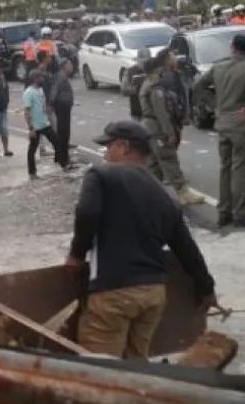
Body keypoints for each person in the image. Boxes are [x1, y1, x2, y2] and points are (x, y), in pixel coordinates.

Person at [66, 121, 217, 359]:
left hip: (113, 292)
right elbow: (186, 248)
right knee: (135, 367)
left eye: (108, 146)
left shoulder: (101, 174)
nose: (105, 153)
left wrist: (76, 254)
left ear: (124, 146)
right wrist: (206, 287)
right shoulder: (165, 193)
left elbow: (87, 213)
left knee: (101, 371)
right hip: (153, 294)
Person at [193, 34, 245, 227]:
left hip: (222, 121)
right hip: (240, 125)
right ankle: (240, 213)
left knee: (225, 168)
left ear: (233, 48)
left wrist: (214, 104)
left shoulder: (218, 67)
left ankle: (224, 212)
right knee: (240, 169)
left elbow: (197, 85)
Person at [138, 50, 201, 205]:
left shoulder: (147, 84)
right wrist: (169, 133)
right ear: (156, 70)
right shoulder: (155, 88)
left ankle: (151, 194)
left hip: (149, 127)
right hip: (157, 127)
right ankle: (183, 192)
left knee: (154, 163)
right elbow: (161, 113)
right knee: (168, 158)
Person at [23, 69, 61, 180]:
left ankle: (62, 162)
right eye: (40, 77)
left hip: (45, 123)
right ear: (35, 78)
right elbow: (27, 112)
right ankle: (32, 173)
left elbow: (43, 106)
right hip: (36, 126)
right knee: (32, 150)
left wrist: (47, 112)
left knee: (57, 142)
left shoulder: (40, 90)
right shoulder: (28, 93)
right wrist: (31, 128)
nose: (42, 79)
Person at [50, 57, 76, 171]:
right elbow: (54, 91)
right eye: (70, 64)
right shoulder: (61, 76)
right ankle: (63, 160)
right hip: (62, 107)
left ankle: (59, 157)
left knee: (63, 132)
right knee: (64, 134)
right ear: (64, 65)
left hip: (63, 106)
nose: (71, 67)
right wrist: (52, 103)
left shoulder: (62, 76)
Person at [125, 49, 152, 120]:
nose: (143, 63)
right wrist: (136, 89)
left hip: (151, 112)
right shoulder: (130, 71)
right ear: (137, 60)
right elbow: (124, 89)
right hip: (136, 110)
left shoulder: (153, 70)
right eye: (141, 61)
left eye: (146, 61)